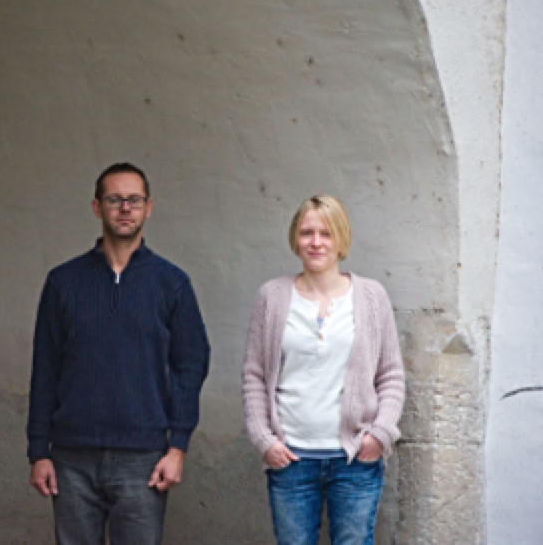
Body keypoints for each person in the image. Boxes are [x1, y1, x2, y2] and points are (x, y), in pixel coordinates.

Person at [27, 162, 210, 545]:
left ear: (148, 207)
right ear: (97, 207)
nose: (125, 208)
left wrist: (177, 446)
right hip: (72, 456)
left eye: (134, 200)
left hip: (143, 456)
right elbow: (45, 369)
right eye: (114, 199)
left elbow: (190, 366)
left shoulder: (171, 283)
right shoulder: (63, 282)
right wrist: (38, 451)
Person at [242, 195, 405, 545]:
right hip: (291, 457)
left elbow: (390, 374)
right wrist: (263, 439)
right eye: (307, 233)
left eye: (326, 233)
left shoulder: (371, 296)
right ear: (295, 238)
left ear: (341, 238)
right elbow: (254, 375)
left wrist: (380, 434)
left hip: (355, 458)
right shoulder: (272, 296)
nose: (316, 242)